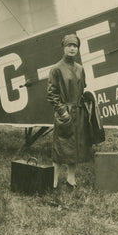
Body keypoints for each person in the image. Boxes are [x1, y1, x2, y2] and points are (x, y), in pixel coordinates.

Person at [47, 33, 93, 188]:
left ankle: (71, 179)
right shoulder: (56, 69)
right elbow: (52, 94)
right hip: (64, 113)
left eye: (75, 46)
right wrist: (63, 112)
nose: (72, 48)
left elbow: (83, 89)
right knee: (60, 147)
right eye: (69, 45)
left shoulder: (80, 69)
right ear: (64, 47)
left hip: (79, 112)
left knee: (77, 147)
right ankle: (53, 180)